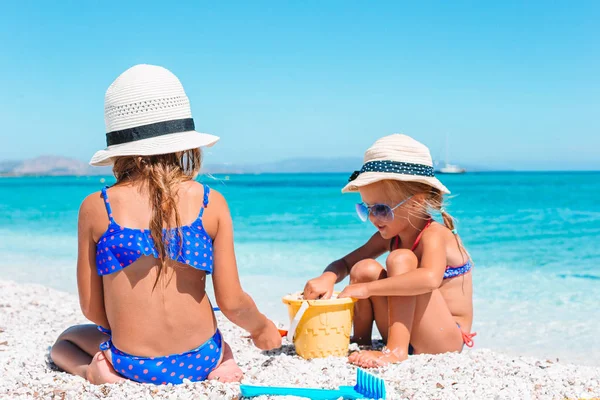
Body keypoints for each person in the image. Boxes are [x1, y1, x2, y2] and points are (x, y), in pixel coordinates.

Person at [50, 64, 281, 385]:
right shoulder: (210, 202)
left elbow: (91, 308)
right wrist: (262, 328)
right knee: (216, 339)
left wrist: (130, 325)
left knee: (67, 341)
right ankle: (224, 363)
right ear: (184, 144)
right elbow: (231, 302)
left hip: (132, 362)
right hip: (201, 358)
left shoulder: (96, 207)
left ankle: (95, 372)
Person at [303, 134, 475, 368]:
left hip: (444, 338)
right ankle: (361, 342)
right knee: (363, 268)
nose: (373, 218)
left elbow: (429, 279)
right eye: (367, 209)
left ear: (416, 202)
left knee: (400, 259)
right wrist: (327, 278)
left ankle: (396, 351)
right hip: (411, 331)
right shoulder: (390, 235)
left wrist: (367, 289)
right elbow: (344, 264)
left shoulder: (435, 235)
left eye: (382, 209)